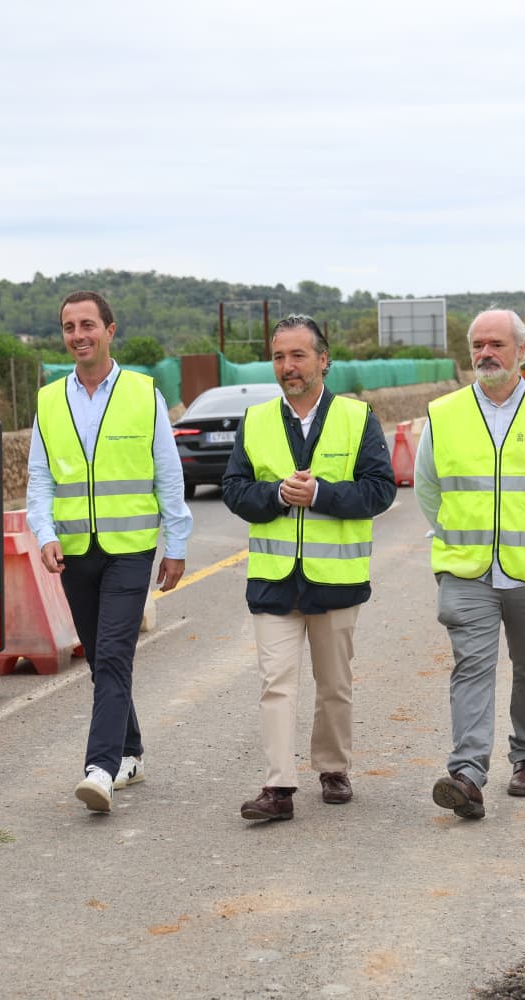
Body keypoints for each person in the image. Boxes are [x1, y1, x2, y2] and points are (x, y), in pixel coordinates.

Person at [416, 308, 525, 819]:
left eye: (496, 344)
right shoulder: (443, 414)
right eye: (477, 345)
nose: (485, 354)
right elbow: (428, 488)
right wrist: (462, 530)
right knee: (471, 665)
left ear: (522, 351)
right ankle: (467, 774)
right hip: (466, 569)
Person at [222, 315, 397, 822]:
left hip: (335, 581)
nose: (287, 366)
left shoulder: (357, 418)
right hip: (274, 582)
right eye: (279, 357)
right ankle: (278, 788)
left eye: (298, 356)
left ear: (324, 360)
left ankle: (333, 767)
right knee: (275, 683)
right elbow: (234, 489)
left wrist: (320, 494)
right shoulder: (254, 421)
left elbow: (380, 489)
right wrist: (276, 495)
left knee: (334, 685)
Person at [27, 291, 192, 814]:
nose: (79, 335)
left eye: (88, 325)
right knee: (103, 660)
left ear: (110, 330)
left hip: (130, 549)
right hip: (74, 550)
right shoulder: (48, 400)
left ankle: (99, 768)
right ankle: (131, 752)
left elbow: (168, 474)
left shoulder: (145, 394)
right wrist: (45, 533)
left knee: (115, 655)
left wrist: (177, 543)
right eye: (70, 327)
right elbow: (39, 479)